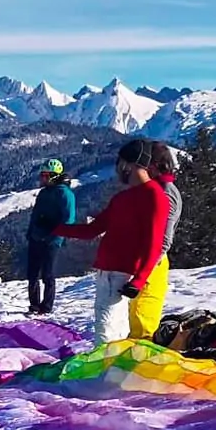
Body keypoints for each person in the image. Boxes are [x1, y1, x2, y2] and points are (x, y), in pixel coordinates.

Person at [56, 139, 171, 344]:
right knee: (110, 330)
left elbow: (153, 243)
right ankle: (114, 371)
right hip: (107, 272)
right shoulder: (123, 198)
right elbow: (93, 230)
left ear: (129, 164)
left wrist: (139, 279)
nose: (118, 169)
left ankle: (108, 373)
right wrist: (55, 228)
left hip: (121, 275)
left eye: (119, 163)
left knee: (106, 333)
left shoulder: (155, 196)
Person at [129, 142, 184, 339]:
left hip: (152, 265)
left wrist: (145, 266)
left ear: (153, 166)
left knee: (143, 324)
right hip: (141, 262)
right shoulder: (152, 189)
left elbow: (164, 239)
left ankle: (139, 367)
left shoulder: (166, 192)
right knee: (135, 318)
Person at [24, 159, 76, 315]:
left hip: (52, 240)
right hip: (36, 236)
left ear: (54, 176)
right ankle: (34, 305)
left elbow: (69, 219)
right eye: (42, 175)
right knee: (32, 274)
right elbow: (35, 215)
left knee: (47, 274)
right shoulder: (44, 192)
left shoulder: (64, 193)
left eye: (46, 175)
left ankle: (46, 307)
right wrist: (31, 232)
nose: (43, 178)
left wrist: (55, 234)